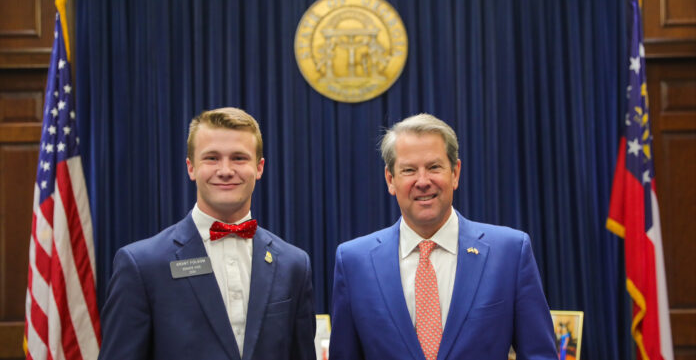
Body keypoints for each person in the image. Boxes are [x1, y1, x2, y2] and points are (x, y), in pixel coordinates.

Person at [329, 113, 557, 360]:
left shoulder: (510, 253)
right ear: (390, 180)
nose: (423, 181)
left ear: (455, 173)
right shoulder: (354, 262)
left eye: (434, 167)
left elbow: (539, 355)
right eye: (408, 170)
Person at [99, 107, 316, 360]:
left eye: (239, 158)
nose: (225, 170)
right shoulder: (141, 265)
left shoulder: (293, 264)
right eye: (212, 158)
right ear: (191, 168)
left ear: (259, 167)